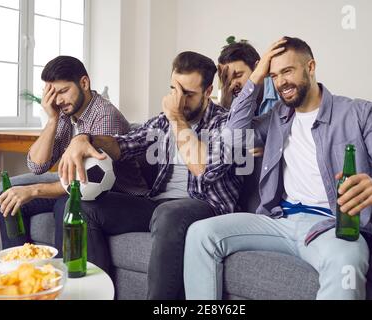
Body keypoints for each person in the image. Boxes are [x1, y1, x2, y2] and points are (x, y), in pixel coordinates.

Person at [183, 37, 372, 300]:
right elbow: (231, 140)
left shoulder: (358, 113)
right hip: (280, 222)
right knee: (201, 234)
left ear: (310, 67)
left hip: (333, 226)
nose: (281, 82)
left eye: (287, 71)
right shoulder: (277, 116)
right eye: (274, 75)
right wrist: (256, 77)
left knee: (346, 264)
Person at [54, 51, 243, 299]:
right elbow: (124, 145)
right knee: (82, 207)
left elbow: (204, 169)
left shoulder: (226, 123)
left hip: (206, 206)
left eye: (188, 94)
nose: (179, 101)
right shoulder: (162, 123)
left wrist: (176, 118)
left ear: (208, 92)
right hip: (159, 204)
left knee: (169, 213)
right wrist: (85, 137)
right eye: (175, 90)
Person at [0, 56, 147, 253]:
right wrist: (52, 120)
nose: (58, 100)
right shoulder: (65, 114)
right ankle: (21, 269)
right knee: (9, 193)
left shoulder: (105, 116)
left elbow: (85, 182)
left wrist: (33, 191)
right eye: (53, 93)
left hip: (117, 194)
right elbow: (37, 166)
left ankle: (62, 277)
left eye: (63, 91)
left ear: (84, 83)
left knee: (65, 205)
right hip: (81, 185)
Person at [218, 41, 280, 115]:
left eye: (238, 75)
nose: (233, 84)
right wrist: (226, 106)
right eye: (227, 78)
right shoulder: (233, 99)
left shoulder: (280, 90)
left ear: (257, 68)